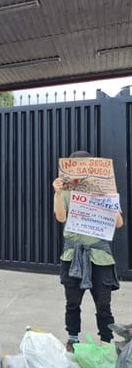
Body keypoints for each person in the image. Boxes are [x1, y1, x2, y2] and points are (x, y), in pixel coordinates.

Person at [52, 150, 124, 352]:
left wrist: (110, 199)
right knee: (72, 303)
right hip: (73, 255)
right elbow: (60, 217)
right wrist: (57, 193)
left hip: (100, 257)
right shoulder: (65, 192)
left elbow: (119, 223)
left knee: (103, 304)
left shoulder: (104, 192)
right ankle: (73, 339)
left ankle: (106, 343)